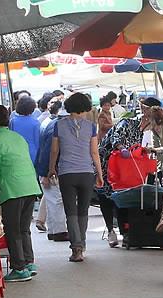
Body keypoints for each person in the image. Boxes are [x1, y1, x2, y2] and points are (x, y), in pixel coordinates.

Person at [0, 104, 42, 282]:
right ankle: (29, 263)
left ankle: (19, 268)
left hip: (12, 188)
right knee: (24, 229)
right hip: (30, 185)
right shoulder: (17, 137)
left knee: (13, 230)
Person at [97, 97, 162, 247]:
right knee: (106, 195)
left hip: (125, 165)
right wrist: (122, 148)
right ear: (146, 114)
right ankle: (110, 230)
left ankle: (126, 231)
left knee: (124, 194)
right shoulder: (127, 123)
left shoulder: (141, 129)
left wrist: (144, 150)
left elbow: (135, 147)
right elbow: (116, 139)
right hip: (108, 162)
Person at [48, 93, 104, 262]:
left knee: (70, 212)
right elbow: (94, 152)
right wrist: (99, 173)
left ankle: (76, 248)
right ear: (85, 107)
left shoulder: (59, 125)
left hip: (67, 173)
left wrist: (51, 168)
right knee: (83, 211)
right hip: (86, 173)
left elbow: (54, 150)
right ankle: (82, 244)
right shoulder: (91, 126)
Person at [35, 101, 70, 241]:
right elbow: (48, 151)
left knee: (53, 201)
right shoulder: (58, 127)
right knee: (57, 201)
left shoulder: (50, 123)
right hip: (51, 170)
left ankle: (54, 231)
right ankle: (59, 232)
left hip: (47, 169)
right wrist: (46, 172)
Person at [9, 96, 40, 163]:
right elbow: (37, 142)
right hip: (31, 153)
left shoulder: (13, 121)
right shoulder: (35, 123)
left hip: (16, 152)